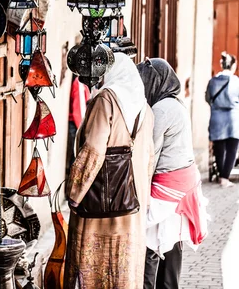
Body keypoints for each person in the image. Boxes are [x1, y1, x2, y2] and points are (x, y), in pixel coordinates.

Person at [65, 53, 155, 289]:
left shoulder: (107, 100)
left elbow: (93, 151)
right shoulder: (144, 108)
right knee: (123, 276)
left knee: (94, 275)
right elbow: (149, 160)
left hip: (100, 212)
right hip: (131, 211)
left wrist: (74, 193)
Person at [137, 58, 208, 289]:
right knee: (171, 244)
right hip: (181, 185)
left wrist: (140, 190)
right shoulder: (176, 104)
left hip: (167, 187)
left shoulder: (161, 108)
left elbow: (151, 153)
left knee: (150, 246)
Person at [206, 52, 239, 187]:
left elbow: (208, 98)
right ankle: (225, 177)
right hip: (233, 118)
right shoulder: (236, 81)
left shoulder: (213, 81)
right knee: (232, 148)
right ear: (233, 66)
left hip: (217, 117)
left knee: (219, 147)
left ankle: (221, 176)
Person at [66, 76, 91, 176]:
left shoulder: (82, 84)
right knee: (75, 156)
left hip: (77, 124)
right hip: (76, 125)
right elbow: (78, 110)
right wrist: (83, 130)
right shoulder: (80, 83)